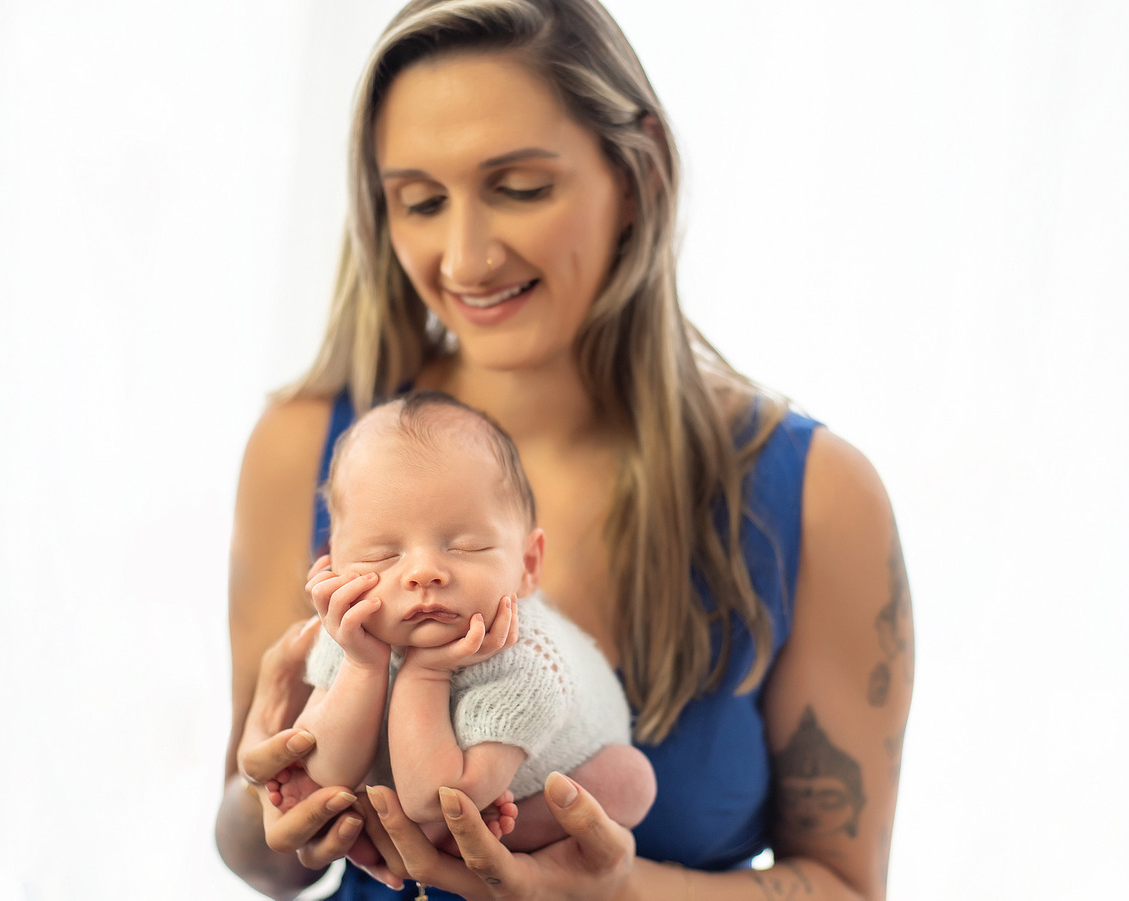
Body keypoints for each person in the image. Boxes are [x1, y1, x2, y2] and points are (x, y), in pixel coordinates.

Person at [214, 0, 914, 898]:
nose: (464, 257)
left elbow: (849, 886)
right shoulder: (304, 445)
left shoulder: (817, 496)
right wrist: (266, 794)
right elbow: (253, 855)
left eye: (519, 187)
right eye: (421, 201)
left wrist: (619, 894)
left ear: (638, 173)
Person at [270, 391, 656, 855]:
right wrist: (363, 667)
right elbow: (326, 769)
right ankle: (430, 828)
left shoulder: (526, 663)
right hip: (426, 773)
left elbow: (436, 797)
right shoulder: (355, 628)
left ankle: (460, 842)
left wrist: (426, 672)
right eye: (381, 555)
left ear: (528, 565)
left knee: (630, 781)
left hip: (557, 773)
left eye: (466, 546)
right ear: (333, 569)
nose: (423, 572)